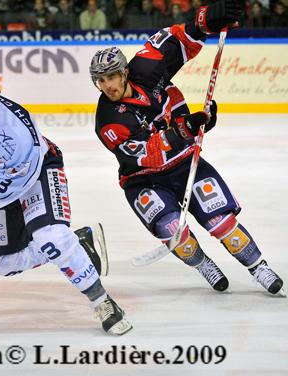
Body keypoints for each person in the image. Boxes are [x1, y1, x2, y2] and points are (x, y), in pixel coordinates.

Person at [0, 55, 132, 335]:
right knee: (3, 263)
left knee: (51, 238)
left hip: (37, 175)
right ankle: (81, 241)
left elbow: (8, 185)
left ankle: (102, 301)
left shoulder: (15, 131)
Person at [90, 0, 284, 295]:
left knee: (221, 222)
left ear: (125, 73)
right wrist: (186, 129)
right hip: (143, 179)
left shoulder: (147, 68)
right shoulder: (108, 122)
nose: (108, 86)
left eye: (112, 77)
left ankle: (258, 267)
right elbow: (149, 152)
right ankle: (203, 264)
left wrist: (203, 23)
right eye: (101, 81)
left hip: (183, 162)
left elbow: (175, 40)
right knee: (173, 232)